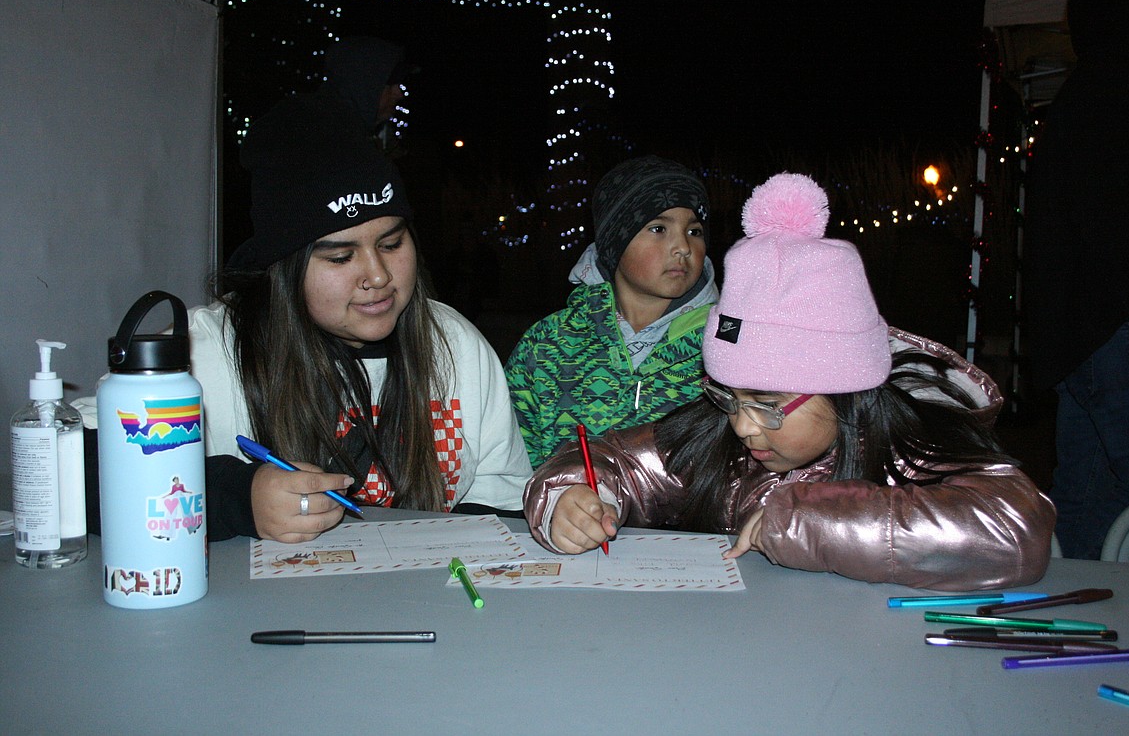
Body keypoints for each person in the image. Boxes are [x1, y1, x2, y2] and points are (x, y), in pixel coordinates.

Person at [526, 173, 1055, 591]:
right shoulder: (717, 445)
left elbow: (1015, 529)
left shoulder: (910, 446)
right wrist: (568, 498)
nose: (741, 427)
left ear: (845, 389)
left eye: (767, 404)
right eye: (728, 398)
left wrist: (809, 521)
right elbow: (612, 461)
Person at [187, 96, 528, 542]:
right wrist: (236, 496)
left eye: (391, 244)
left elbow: (501, 497)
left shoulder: (455, 342)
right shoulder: (207, 348)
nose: (379, 275)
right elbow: (87, 466)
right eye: (342, 256)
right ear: (284, 269)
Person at [1023, 0, 1129, 559]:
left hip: (1084, 337)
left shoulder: (1083, 94)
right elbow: (1119, 219)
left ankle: (1075, 612)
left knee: (1089, 497)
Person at [506, 155, 718, 468]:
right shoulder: (546, 344)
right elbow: (511, 467)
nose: (683, 247)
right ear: (615, 242)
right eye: (658, 228)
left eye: (695, 231)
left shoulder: (725, 347)